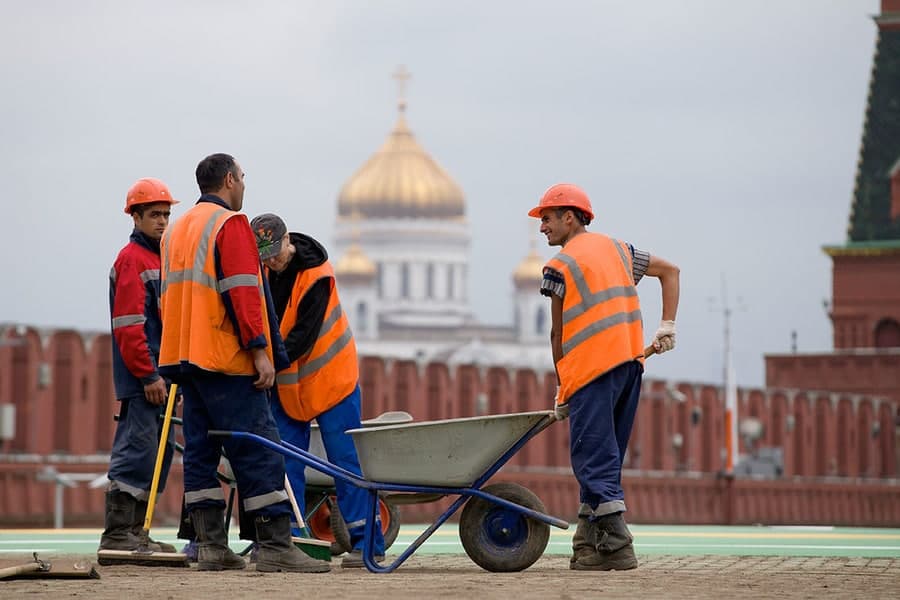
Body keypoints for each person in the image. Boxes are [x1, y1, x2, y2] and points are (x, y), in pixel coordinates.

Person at [158, 153, 329, 574]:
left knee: (200, 452)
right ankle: (273, 545)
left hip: (184, 358)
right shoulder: (229, 225)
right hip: (225, 359)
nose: (244, 186)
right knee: (257, 449)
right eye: (243, 178)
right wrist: (259, 350)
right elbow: (243, 292)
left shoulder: (176, 231)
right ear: (230, 179)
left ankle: (211, 546)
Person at [528, 183, 680, 571]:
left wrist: (563, 387)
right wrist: (667, 326)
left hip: (592, 371)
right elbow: (671, 271)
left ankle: (617, 542)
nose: (542, 227)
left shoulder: (559, 267)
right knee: (605, 456)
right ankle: (589, 545)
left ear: (570, 217)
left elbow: (557, 334)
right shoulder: (620, 250)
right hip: (630, 366)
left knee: (592, 458)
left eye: (547, 218)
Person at [250, 213, 385, 569]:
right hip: (290, 385)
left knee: (346, 462)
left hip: (332, 379)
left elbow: (300, 338)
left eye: (274, 253)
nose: (270, 261)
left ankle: (367, 544)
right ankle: (291, 542)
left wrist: (262, 364)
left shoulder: (317, 277)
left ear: (287, 242)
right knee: (283, 461)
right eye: (262, 256)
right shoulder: (263, 273)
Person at [100, 178, 180, 557]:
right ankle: (119, 534)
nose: (162, 221)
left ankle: (138, 532)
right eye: (154, 215)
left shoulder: (160, 258)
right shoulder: (133, 260)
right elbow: (130, 325)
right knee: (137, 451)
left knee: (157, 454)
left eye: (166, 214)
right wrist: (148, 374)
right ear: (136, 217)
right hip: (143, 379)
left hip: (161, 377)